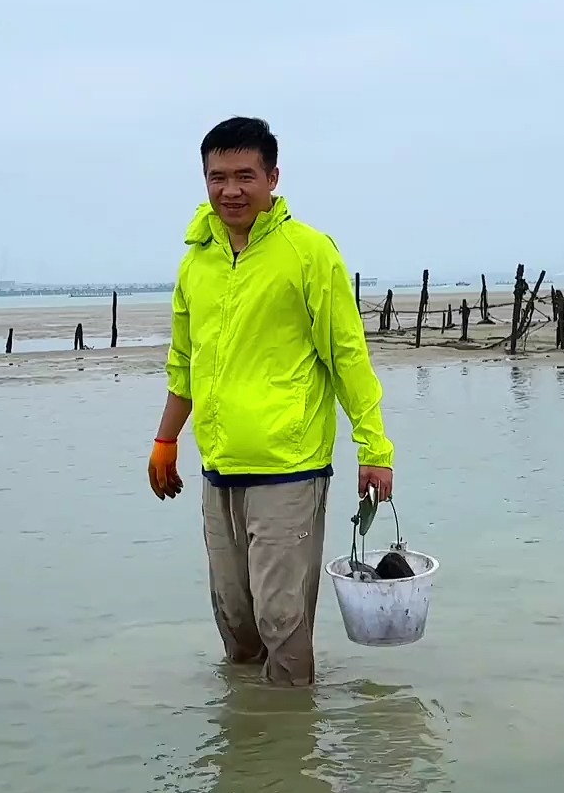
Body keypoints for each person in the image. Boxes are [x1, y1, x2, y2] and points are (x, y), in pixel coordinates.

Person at [147, 116, 396, 687]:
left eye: (244, 176)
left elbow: (347, 357)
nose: (230, 190)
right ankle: (247, 746)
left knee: (281, 619)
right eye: (217, 177)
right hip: (220, 466)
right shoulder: (196, 261)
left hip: (290, 467)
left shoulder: (308, 252)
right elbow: (183, 363)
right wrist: (165, 440)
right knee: (235, 622)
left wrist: (374, 448)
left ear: (272, 177)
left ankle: (290, 747)